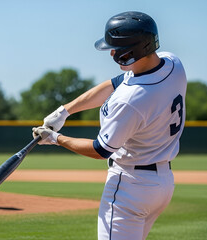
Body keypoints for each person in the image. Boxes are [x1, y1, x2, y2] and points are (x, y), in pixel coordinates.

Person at [33, 11, 186, 239]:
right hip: (161, 185)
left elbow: (100, 150)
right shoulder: (172, 64)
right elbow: (113, 84)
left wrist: (55, 139)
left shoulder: (131, 100)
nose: (112, 53)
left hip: (130, 186)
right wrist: (64, 111)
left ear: (133, 50)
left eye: (116, 48)